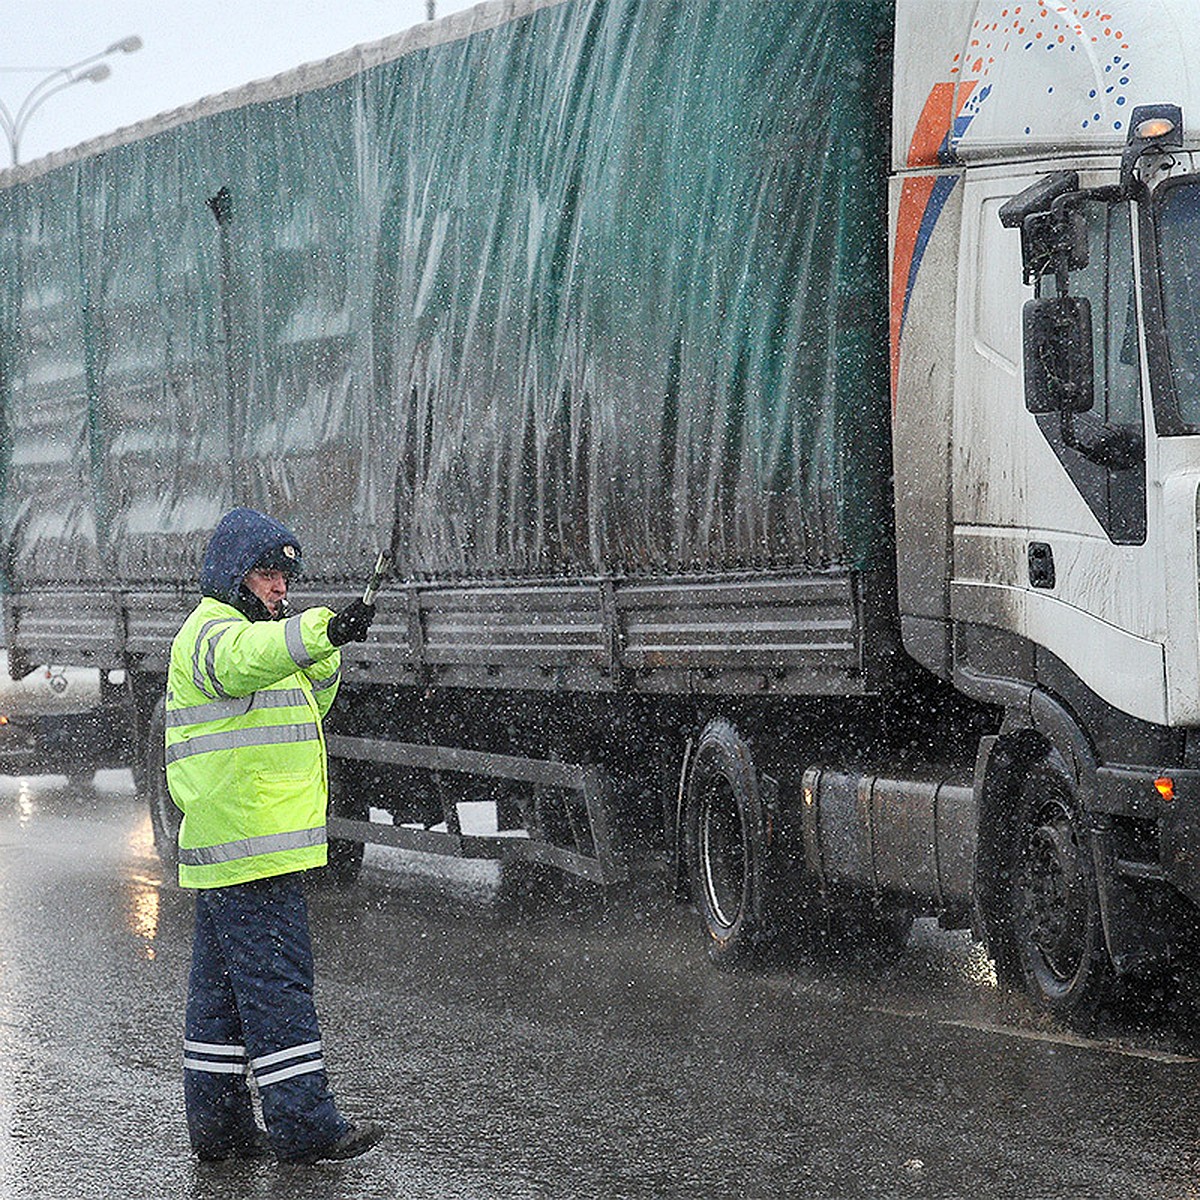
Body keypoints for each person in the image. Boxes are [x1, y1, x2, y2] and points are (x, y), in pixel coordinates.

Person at [164, 506, 382, 1165]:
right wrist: (320, 628)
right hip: (251, 849)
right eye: (266, 575)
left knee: (223, 1002)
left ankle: (221, 1133)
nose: (280, 588)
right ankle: (305, 1127)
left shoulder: (259, 636)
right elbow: (245, 662)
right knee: (278, 988)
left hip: (240, 850)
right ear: (234, 577)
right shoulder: (213, 634)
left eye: (286, 577)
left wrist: (329, 646)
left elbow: (310, 700)